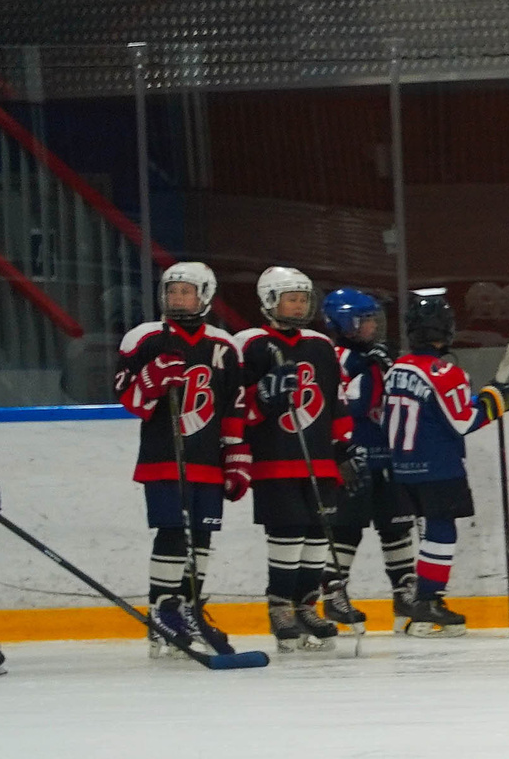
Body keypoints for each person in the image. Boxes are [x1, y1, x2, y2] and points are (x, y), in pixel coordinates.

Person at [112, 261, 247, 659]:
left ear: (204, 295)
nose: (176, 298)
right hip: (162, 456)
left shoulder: (224, 345)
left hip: (208, 457)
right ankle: (163, 610)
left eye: (185, 291)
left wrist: (237, 454)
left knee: (202, 537)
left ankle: (190, 608)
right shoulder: (145, 338)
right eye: (171, 291)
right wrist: (150, 381)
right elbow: (129, 399)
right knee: (172, 531)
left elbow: (234, 404)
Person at [234, 266, 358, 652]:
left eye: (304, 298)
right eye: (292, 298)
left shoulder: (320, 345)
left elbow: (335, 401)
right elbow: (237, 404)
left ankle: (306, 605)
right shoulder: (250, 344)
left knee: (319, 536)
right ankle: (280, 607)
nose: (300, 305)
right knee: (287, 534)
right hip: (275, 459)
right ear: (270, 301)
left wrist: (345, 447)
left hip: (318, 459)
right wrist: (263, 396)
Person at [381, 291, 509, 637]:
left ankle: (417, 602)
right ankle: (428, 603)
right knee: (441, 531)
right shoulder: (444, 371)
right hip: (438, 466)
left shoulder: (397, 368)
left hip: (402, 467)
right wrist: (496, 400)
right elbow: (463, 421)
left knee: (425, 533)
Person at [322, 288, 418, 633]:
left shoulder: (382, 355)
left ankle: (405, 592)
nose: (372, 325)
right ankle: (334, 594)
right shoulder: (334, 356)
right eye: (364, 320)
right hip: (353, 454)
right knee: (347, 526)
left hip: (387, 453)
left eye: (374, 319)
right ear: (344, 322)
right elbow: (346, 401)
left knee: (397, 523)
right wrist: (366, 362)